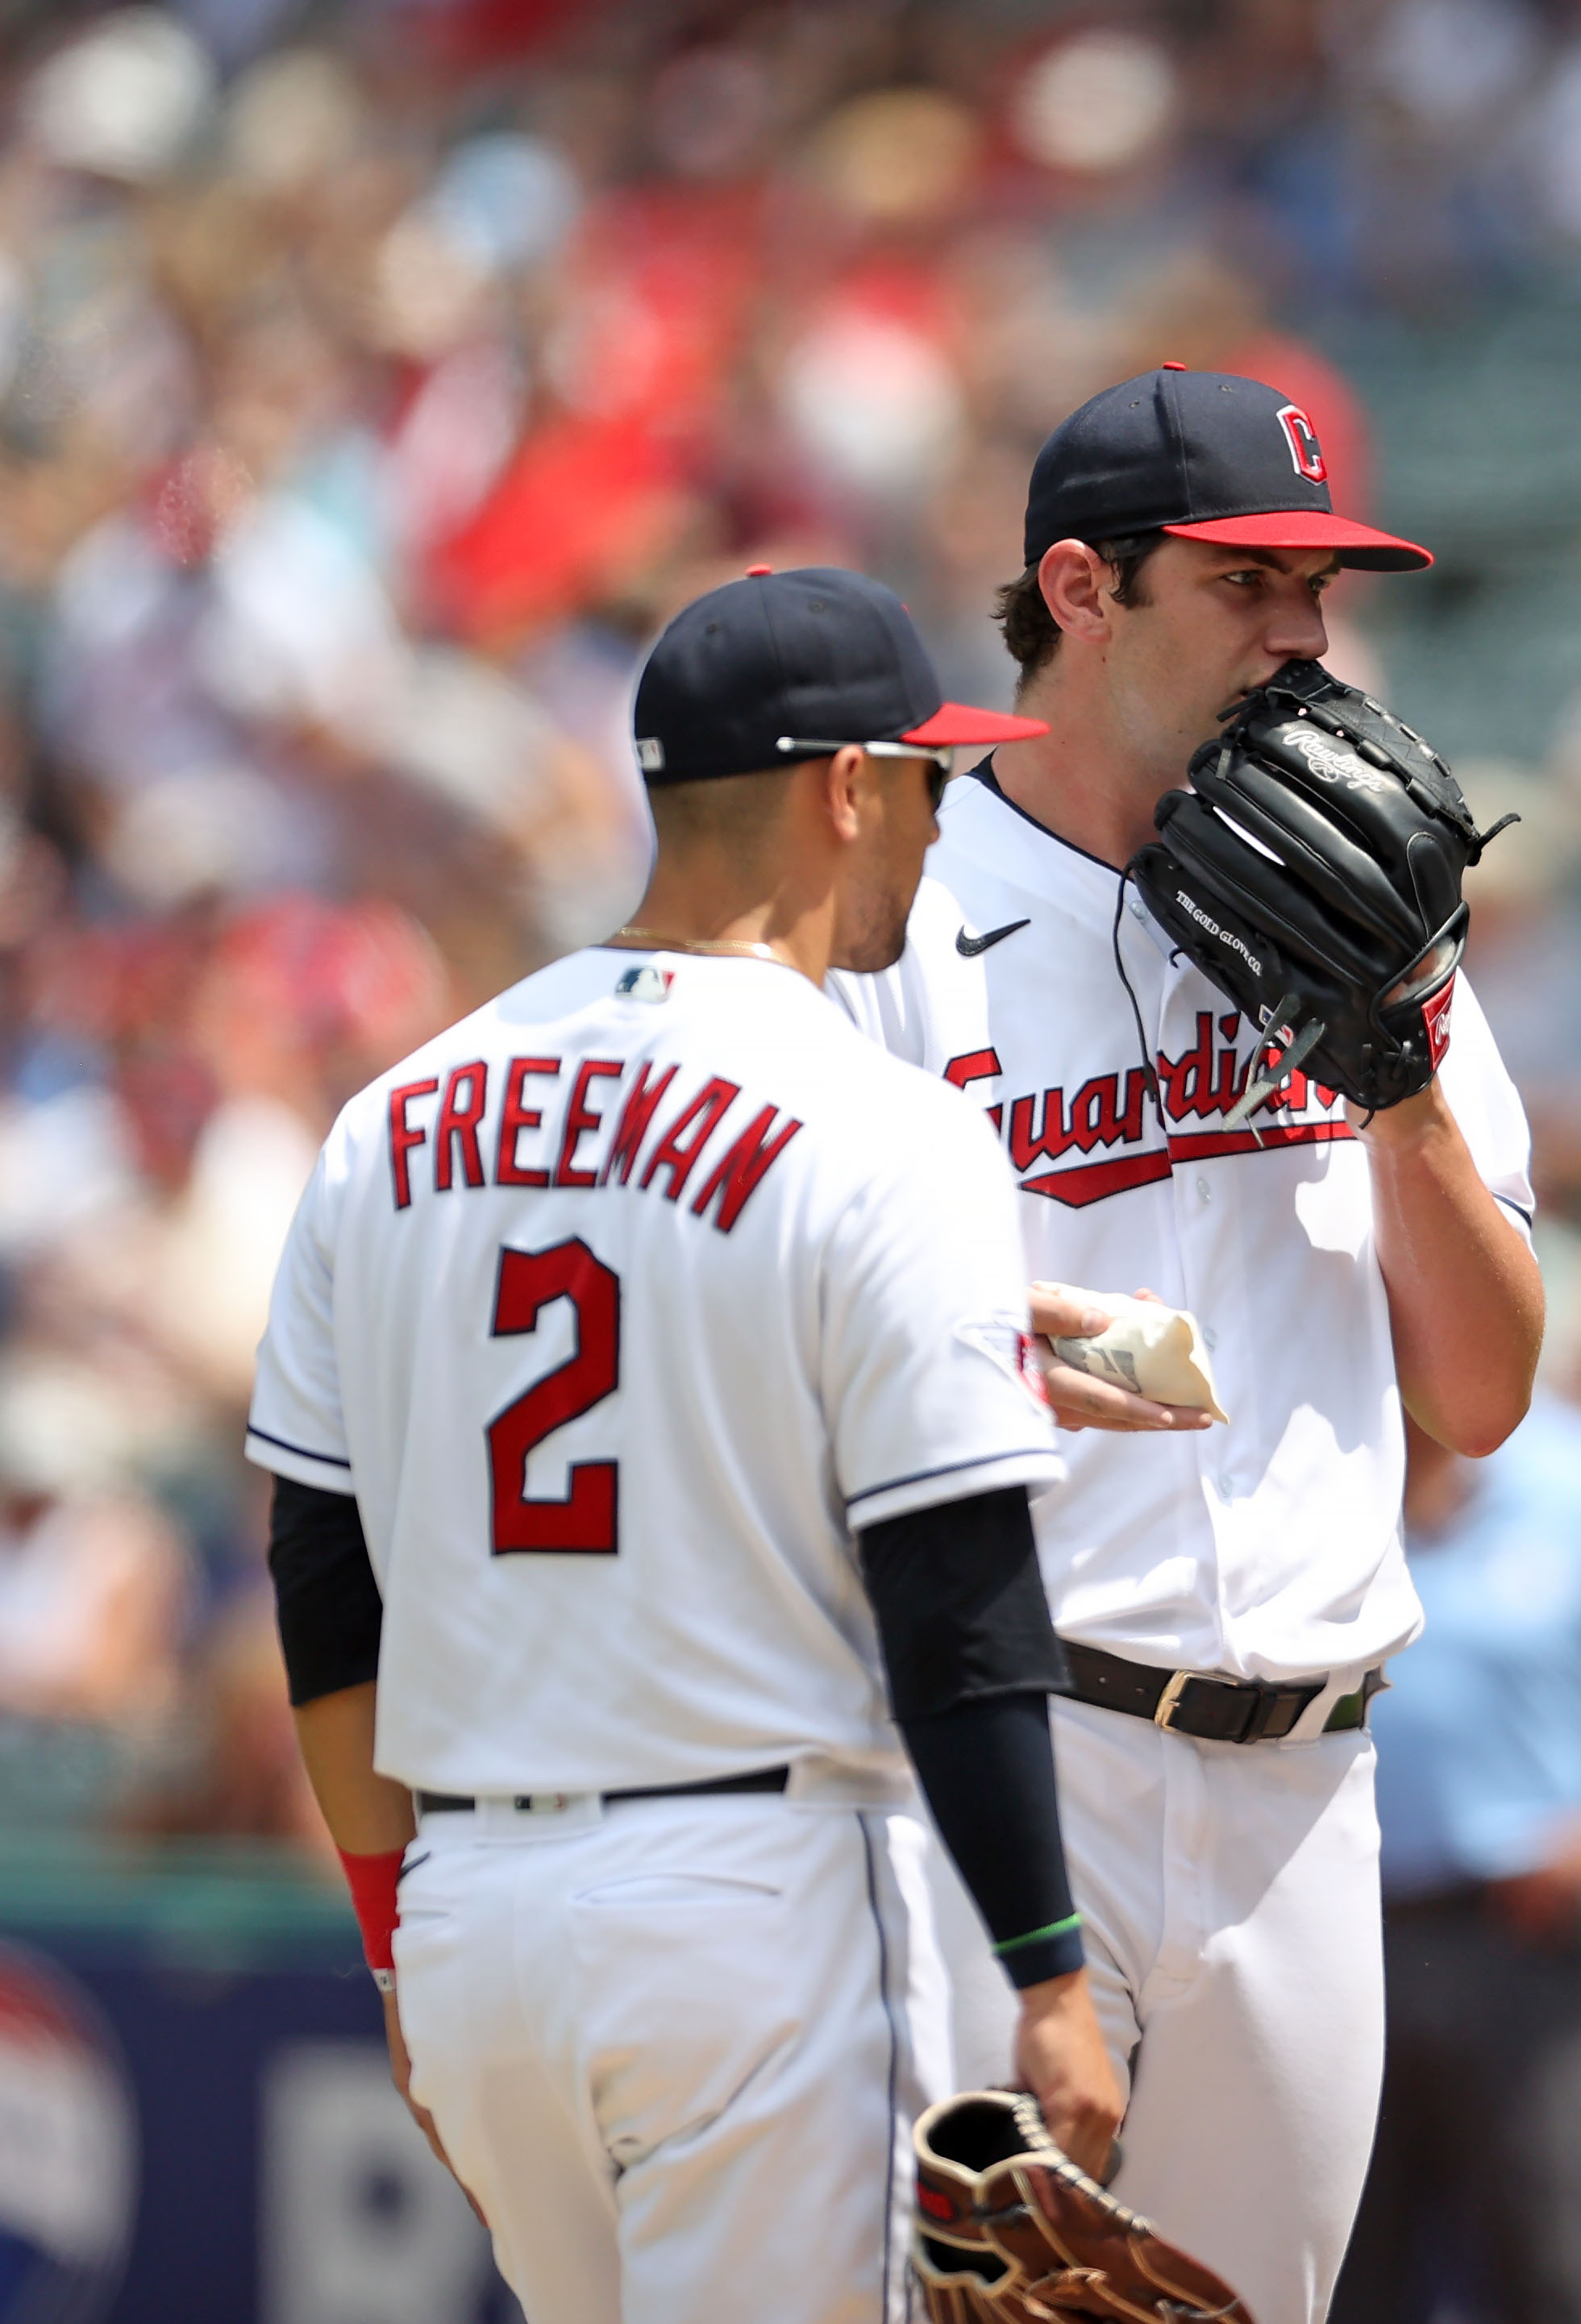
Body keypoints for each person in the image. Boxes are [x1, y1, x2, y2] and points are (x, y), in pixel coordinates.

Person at [246, 567, 1130, 2323]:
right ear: (848, 785)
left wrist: (389, 1937)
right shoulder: (882, 1128)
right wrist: (1044, 1968)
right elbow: (956, 1594)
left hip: (481, 1925)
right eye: (935, 782)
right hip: (753, 1905)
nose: (944, 826)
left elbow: (322, 1577)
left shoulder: (393, 1114)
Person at [830, 364, 1544, 2324]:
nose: (1303, 635)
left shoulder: (1377, 906)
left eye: (1317, 587)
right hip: (1000, 1743)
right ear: (1081, 586)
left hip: (1304, 1783)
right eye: (1247, 584)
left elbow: (1479, 1392)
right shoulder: (898, 927)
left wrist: (1394, 1075)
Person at [1333, 1400, 1581, 2324]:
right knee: (1337, 2276)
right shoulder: (1312, 1486)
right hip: (1338, 1944)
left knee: (1556, 2267)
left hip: (1524, 1939)